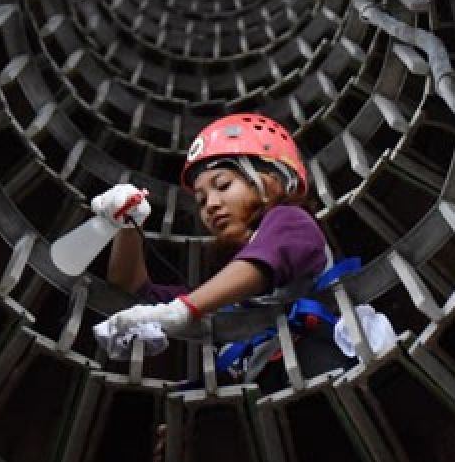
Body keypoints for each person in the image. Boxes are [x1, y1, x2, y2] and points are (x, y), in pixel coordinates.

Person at [90, 113, 356, 393]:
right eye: (201, 201)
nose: (211, 206)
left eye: (223, 185)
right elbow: (130, 291)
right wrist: (128, 226)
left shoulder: (292, 221)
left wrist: (181, 310)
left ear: (271, 182)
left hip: (318, 371)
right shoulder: (232, 288)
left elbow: (269, 258)